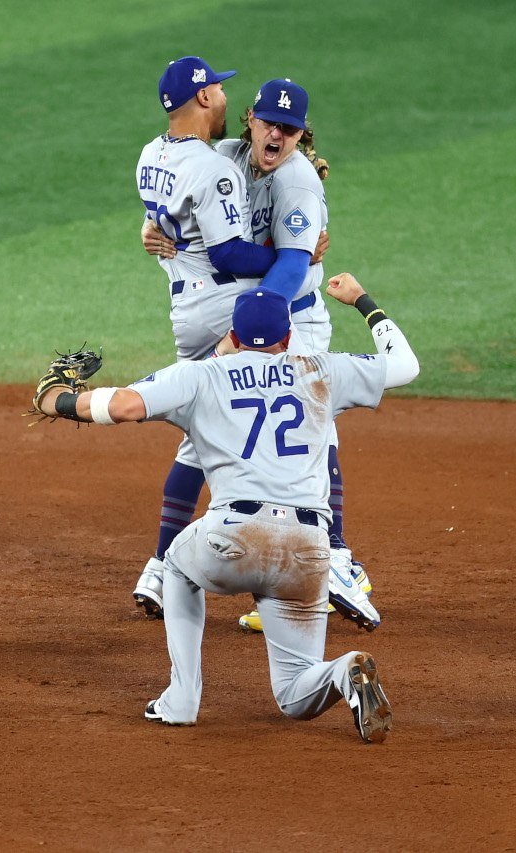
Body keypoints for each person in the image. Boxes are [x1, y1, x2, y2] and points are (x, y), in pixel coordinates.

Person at [33, 273, 417, 741]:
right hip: (309, 551)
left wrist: (59, 399)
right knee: (294, 693)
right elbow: (404, 367)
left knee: (175, 566)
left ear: (232, 337)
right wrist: (363, 302)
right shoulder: (322, 369)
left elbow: (126, 406)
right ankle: (343, 672)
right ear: (289, 335)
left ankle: (181, 699)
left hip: (233, 539)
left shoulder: (201, 375)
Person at [143, 78, 372, 633]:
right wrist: (152, 229)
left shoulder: (298, 184)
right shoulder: (224, 156)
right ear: (249, 119)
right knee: (204, 426)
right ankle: (161, 563)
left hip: (293, 315)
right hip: (249, 312)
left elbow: (295, 267)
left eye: (289, 129)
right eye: (269, 122)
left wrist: (260, 317)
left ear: (301, 134)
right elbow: (180, 207)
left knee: (313, 422)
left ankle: (337, 557)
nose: (277, 134)